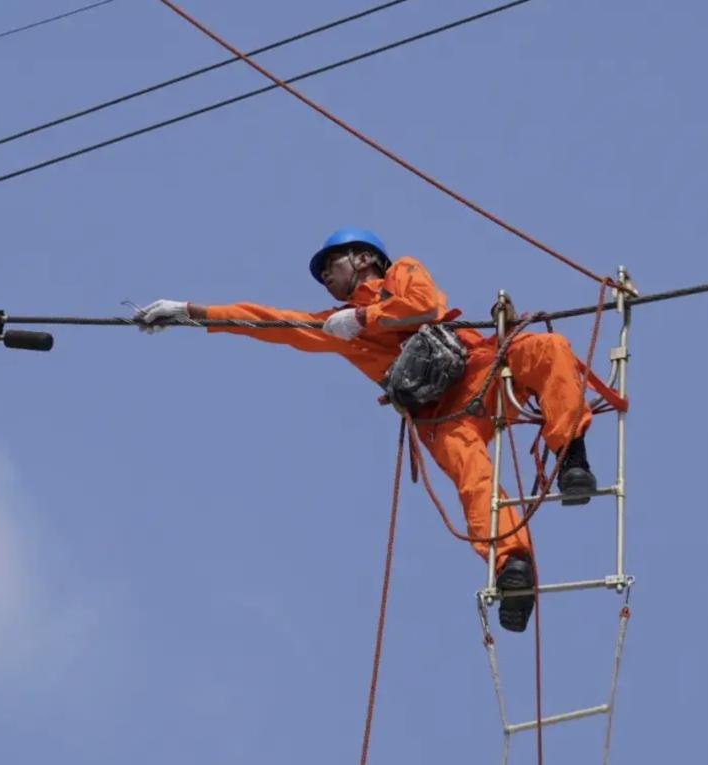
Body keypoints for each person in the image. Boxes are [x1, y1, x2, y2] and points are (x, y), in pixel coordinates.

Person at [136, 227, 598, 633]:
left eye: (330, 266)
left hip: (482, 369)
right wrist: (189, 312)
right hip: (442, 413)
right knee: (473, 479)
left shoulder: (400, 274)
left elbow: (423, 305)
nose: (325, 280)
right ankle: (511, 567)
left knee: (548, 349)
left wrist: (363, 318)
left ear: (363, 259)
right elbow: (268, 321)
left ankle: (571, 456)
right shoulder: (335, 328)